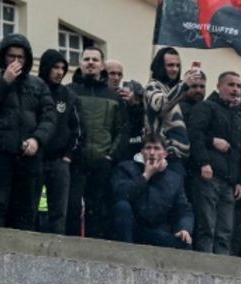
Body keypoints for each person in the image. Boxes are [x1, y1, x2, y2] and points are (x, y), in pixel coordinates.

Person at [0, 33, 54, 230]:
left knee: (26, 209)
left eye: (20, 57)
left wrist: (37, 139)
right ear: (3, 57)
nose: (16, 61)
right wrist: (4, 82)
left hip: (29, 156)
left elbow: (49, 117)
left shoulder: (38, 85)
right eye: (11, 56)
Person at [66, 47, 123, 238]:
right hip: (75, 161)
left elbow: (121, 129)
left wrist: (110, 156)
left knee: (96, 210)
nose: (91, 62)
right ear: (80, 63)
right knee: (72, 207)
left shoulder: (113, 96)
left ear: (102, 66)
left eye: (95, 60)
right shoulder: (69, 92)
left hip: (101, 162)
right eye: (87, 59)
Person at [187, 70, 241, 254]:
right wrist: (204, 162)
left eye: (238, 86)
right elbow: (194, 134)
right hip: (208, 176)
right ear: (219, 86)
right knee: (206, 228)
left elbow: (238, 149)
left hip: (228, 181)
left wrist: (238, 180)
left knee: (225, 232)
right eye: (231, 84)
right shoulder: (205, 107)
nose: (235, 89)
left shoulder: (236, 115)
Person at [111, 134, 192, 249]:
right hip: (131, 227)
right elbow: (122, 194)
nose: (152, 153)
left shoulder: (174, 179)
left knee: (184, 243)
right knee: (122, 207)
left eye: (157, 148)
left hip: (155, 231)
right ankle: (126, 254)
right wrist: (146, 176)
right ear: (142, 152)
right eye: (148, 148)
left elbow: (183, 209)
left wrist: (184, 228)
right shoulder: (125, 168)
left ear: (165, 154)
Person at [36, 49, 80, 235]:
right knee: (30, 208)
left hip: (59, 161)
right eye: (55, 67)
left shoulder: (69, 96)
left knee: (58, 212)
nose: (59, 72)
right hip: (35, 159)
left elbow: (77, 130)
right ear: (46, 67)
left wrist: (68, 156)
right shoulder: (34, 89)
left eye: (63, 68)